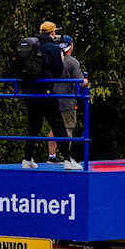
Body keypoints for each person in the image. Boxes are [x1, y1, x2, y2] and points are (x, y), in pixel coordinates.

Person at [19, 21, 77, 169]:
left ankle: (27, 158)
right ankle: (67, 159)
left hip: (30, 92)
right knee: (58, 125)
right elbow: (57, 71)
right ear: (52, 33)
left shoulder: (31, 45)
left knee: (34, 126)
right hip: (46, 92)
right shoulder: (52, 48)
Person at [50, 35, 88, 164]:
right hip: (67, 100)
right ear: (71, 45)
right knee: (68, 128)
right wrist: (86, 81)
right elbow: (80, 82)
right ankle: (66, 157)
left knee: (53, 128)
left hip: (52, 98)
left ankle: (51, 156)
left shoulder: (53, 61)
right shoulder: (72, 62)